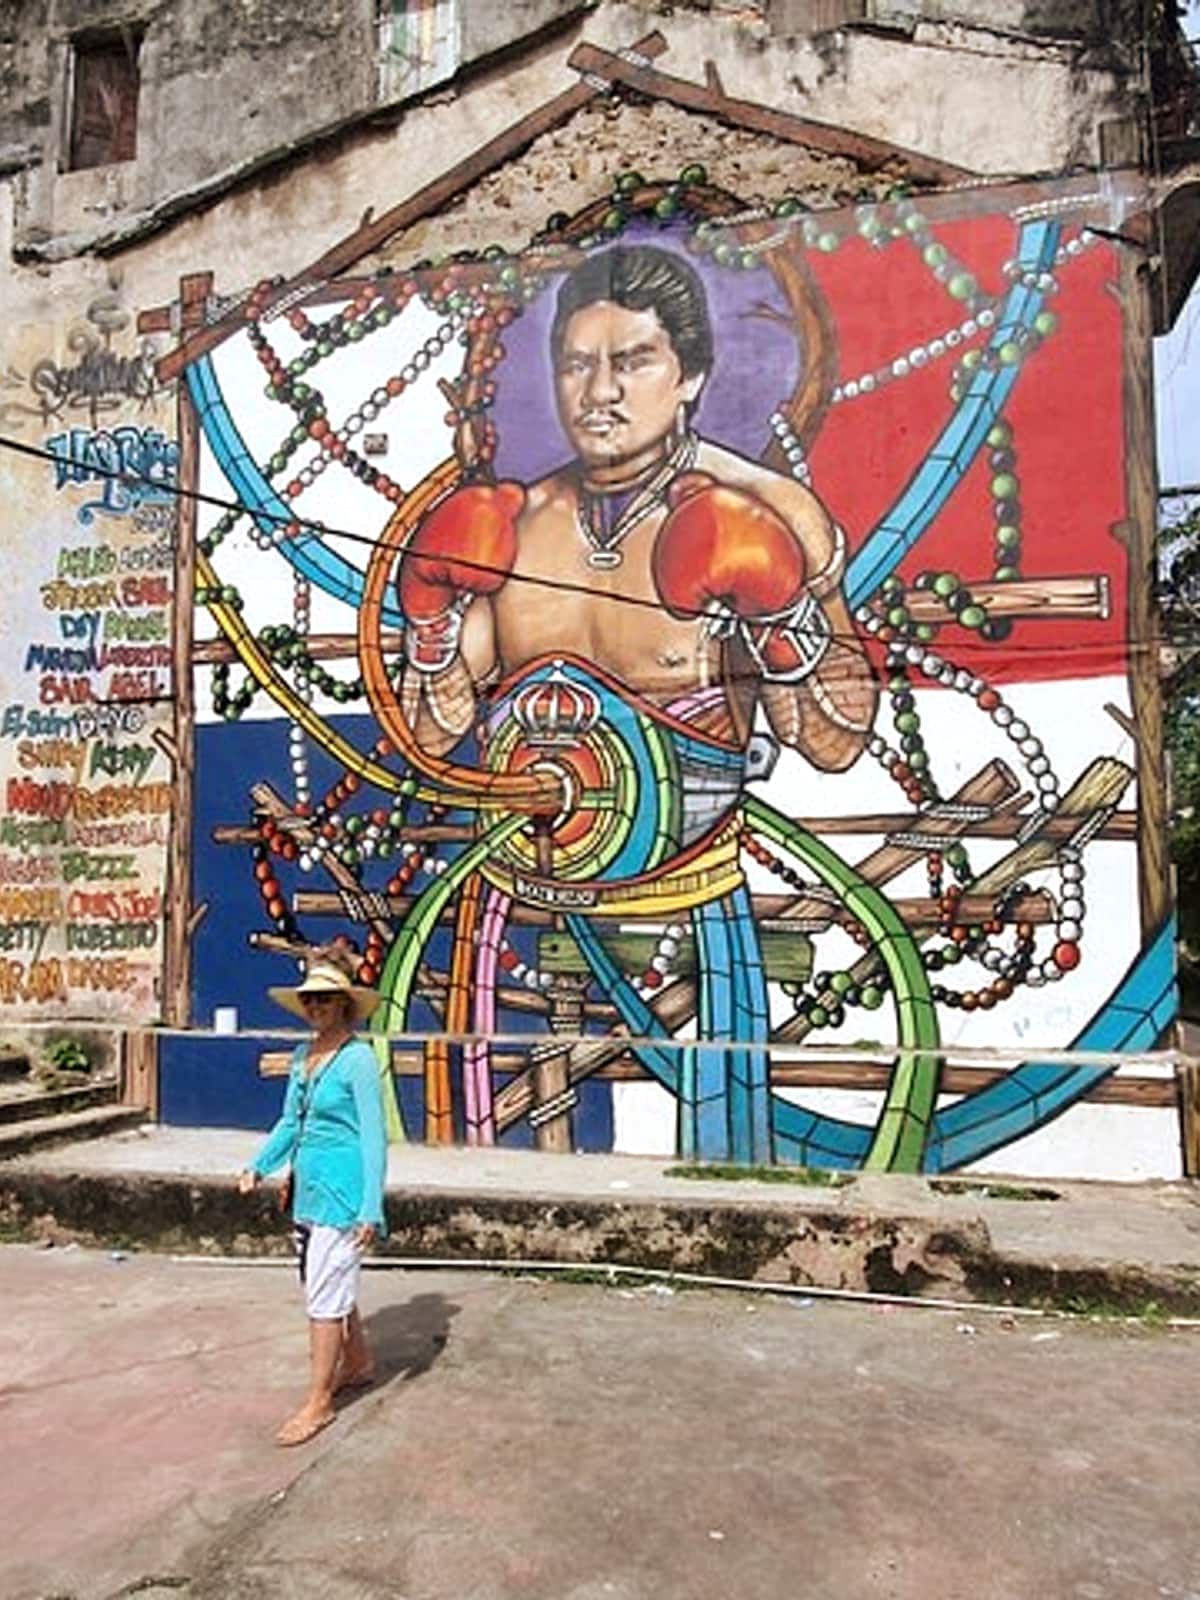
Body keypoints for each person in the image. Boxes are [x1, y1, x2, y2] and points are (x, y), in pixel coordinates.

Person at [398, 241, 877, 772]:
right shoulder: (516, 525)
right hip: (519, 823)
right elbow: (431, 737)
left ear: (690, 377)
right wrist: (430, 624)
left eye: (632, 362)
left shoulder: (772, 507)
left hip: (698, 825)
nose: (599, 392)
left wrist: (780, 621)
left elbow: (835, 746)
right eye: (577, 365)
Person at [239, 945, 387, 1447]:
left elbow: (373, 1137)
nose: (317, 1007)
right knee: (326, 1282)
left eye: (326, 998)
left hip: (344, 1194)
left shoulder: (358, 1060)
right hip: (308, 1189)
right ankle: (358, 1361)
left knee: (324, 1295)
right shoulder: (304, 1057)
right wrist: (261, 1165)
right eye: (310, 999)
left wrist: (371, 1207)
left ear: (344, 1003)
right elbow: (291, 1121)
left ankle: (319, 1402)